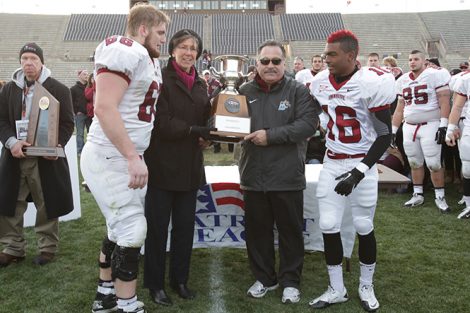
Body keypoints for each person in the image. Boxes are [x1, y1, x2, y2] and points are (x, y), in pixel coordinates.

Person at [80, 4, 169, 313]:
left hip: (120, 156)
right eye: (159, 32)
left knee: (117, 230)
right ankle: (127, 305)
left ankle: (105, 296)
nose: (163, 39)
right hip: (113, 155)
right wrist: (131, 156)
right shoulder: (124, 49)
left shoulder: (146, 58)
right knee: (132, 229)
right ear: (142, 28)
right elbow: (104, 107)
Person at [308, 30, 395, 312]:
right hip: (332, 161)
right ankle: (336, 288)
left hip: (362, 162)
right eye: (325, 53)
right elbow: (318, 113)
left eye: (332, 54)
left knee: (363, 225)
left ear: (350, 55)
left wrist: (358, 173)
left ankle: (366, 285)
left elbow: (384, 134)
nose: (325, 59)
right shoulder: (320, 81)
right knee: (329, 224)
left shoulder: (371, 82)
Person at [239, 40, 318, 304]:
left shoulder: (298, 90)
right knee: (257, 231)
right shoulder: (243, 90)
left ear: (284, 63)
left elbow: (308, 125)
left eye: (276, 61)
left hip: (287, 175)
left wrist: (270, 136)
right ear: (257, 63)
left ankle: (290, 281)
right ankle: (264, 278)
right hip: (253, 174)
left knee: (290, 232)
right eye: (265, 61)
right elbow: (232, 125)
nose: (270, 66)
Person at [143, 29, 213, 307]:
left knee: (184, 229)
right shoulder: (159, 78)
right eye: (183, 47)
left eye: (193, 48)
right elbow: (161, 122)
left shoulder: (200, 83)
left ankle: (180, 280)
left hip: (190, 167)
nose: (188, 52)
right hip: (161, 166)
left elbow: (206, 116)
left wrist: (208, 135)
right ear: (172, 50)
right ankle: (155, 284)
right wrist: (194, 129)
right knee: (158, 230)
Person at [0, 42, 74, 267]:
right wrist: (11, 142)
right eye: (24, 59)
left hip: (45, 160)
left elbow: (67, 123)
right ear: (20, 62)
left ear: (42, 62)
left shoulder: (58, 88)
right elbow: (2, 120)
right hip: (16, 156)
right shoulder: (9, 89)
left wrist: (56, 147)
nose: (28, 63)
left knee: (46, 202)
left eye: (33, 59)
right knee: (10, 202)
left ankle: (47, 247)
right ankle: (13, 247)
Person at [392, 50, 451, 212]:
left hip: (430, 124)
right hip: (409, 126)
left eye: (416, 59)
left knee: (433, 163)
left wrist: (444, 124)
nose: (412, 62)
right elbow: (399, 109)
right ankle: (417, 194)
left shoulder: (434, 75)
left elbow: (445, 101)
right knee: (414, 161)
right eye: (410, 59)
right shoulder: (403, 80)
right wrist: (393, 130)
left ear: (424, 61)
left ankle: (440, 196)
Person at [446, 71, 470, 218]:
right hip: (468, 126)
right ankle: (468, 203)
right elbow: (457, 106)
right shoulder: (466, 79)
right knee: (467, 168)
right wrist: (451, 127)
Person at [70, 69, 89, 155]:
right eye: (84, 74)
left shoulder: (89, 87)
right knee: (80, 134)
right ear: (79, 76)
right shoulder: (73, 89)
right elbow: (71, 102)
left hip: (90, 115)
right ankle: (80, 151)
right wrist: (76, 111)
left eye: (87, 74)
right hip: (80, 115)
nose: (86, 75)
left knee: (90, 133)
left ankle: (89, 151)